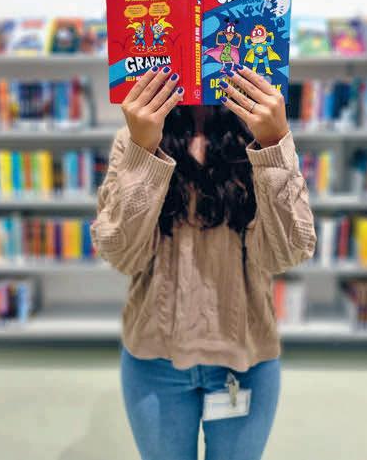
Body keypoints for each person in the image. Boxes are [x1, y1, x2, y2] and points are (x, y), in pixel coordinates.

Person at [90, 64, 317, 460]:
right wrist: (143, 150)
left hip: (245, 359)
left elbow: (289, 252)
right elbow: (119, 253)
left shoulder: (262, 134)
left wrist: (273, 144)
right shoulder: (133, 137)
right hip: (154, 357)